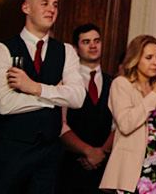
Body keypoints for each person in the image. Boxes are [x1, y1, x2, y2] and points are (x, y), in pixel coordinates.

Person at [0, 0, 86, 194]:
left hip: (49, 154)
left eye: (55, 5)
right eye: (44, 4)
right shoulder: (3, 50)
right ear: (26, 8)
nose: (51, 9)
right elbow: (3, 103)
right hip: (10, 152)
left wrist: (34, 88)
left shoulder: (66, 51)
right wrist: (55, 96)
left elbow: (78, 98)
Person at [100, 34, 156, 194]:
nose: (155, 62)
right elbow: (125, 124)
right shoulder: (121, 84)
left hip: (155, 166)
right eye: (149, 57)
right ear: (136, 58)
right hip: (130, 171)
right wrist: (154, 95)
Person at [59, 23, 115, 194]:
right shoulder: (66, 81)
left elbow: (119, 124)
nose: (93, 45)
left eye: (96, 41)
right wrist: (88, 151)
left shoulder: (114, 83)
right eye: (86, 42)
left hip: (104, 170)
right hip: (70, 167)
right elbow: (61, 124)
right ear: (76, 48)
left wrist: (101, 153)